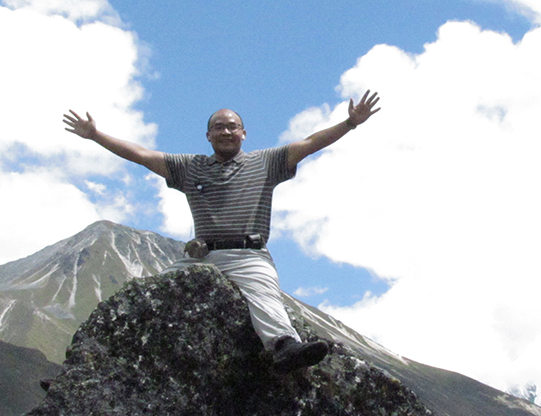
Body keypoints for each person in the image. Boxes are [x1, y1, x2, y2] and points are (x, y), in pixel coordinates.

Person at [63, 90, 380, 372]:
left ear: (244, 133)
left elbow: (311, 143)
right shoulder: (190, 167)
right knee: (146, 298)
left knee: (263, 293)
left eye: (232, 126)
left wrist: (349, 123)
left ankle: (284, 347)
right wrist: (95, 135)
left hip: (248, 254)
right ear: (208, 136)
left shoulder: (266, 162)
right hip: (201, 256)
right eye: (218, 127)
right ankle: (90, 366)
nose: (225, 131)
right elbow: (143, 155)